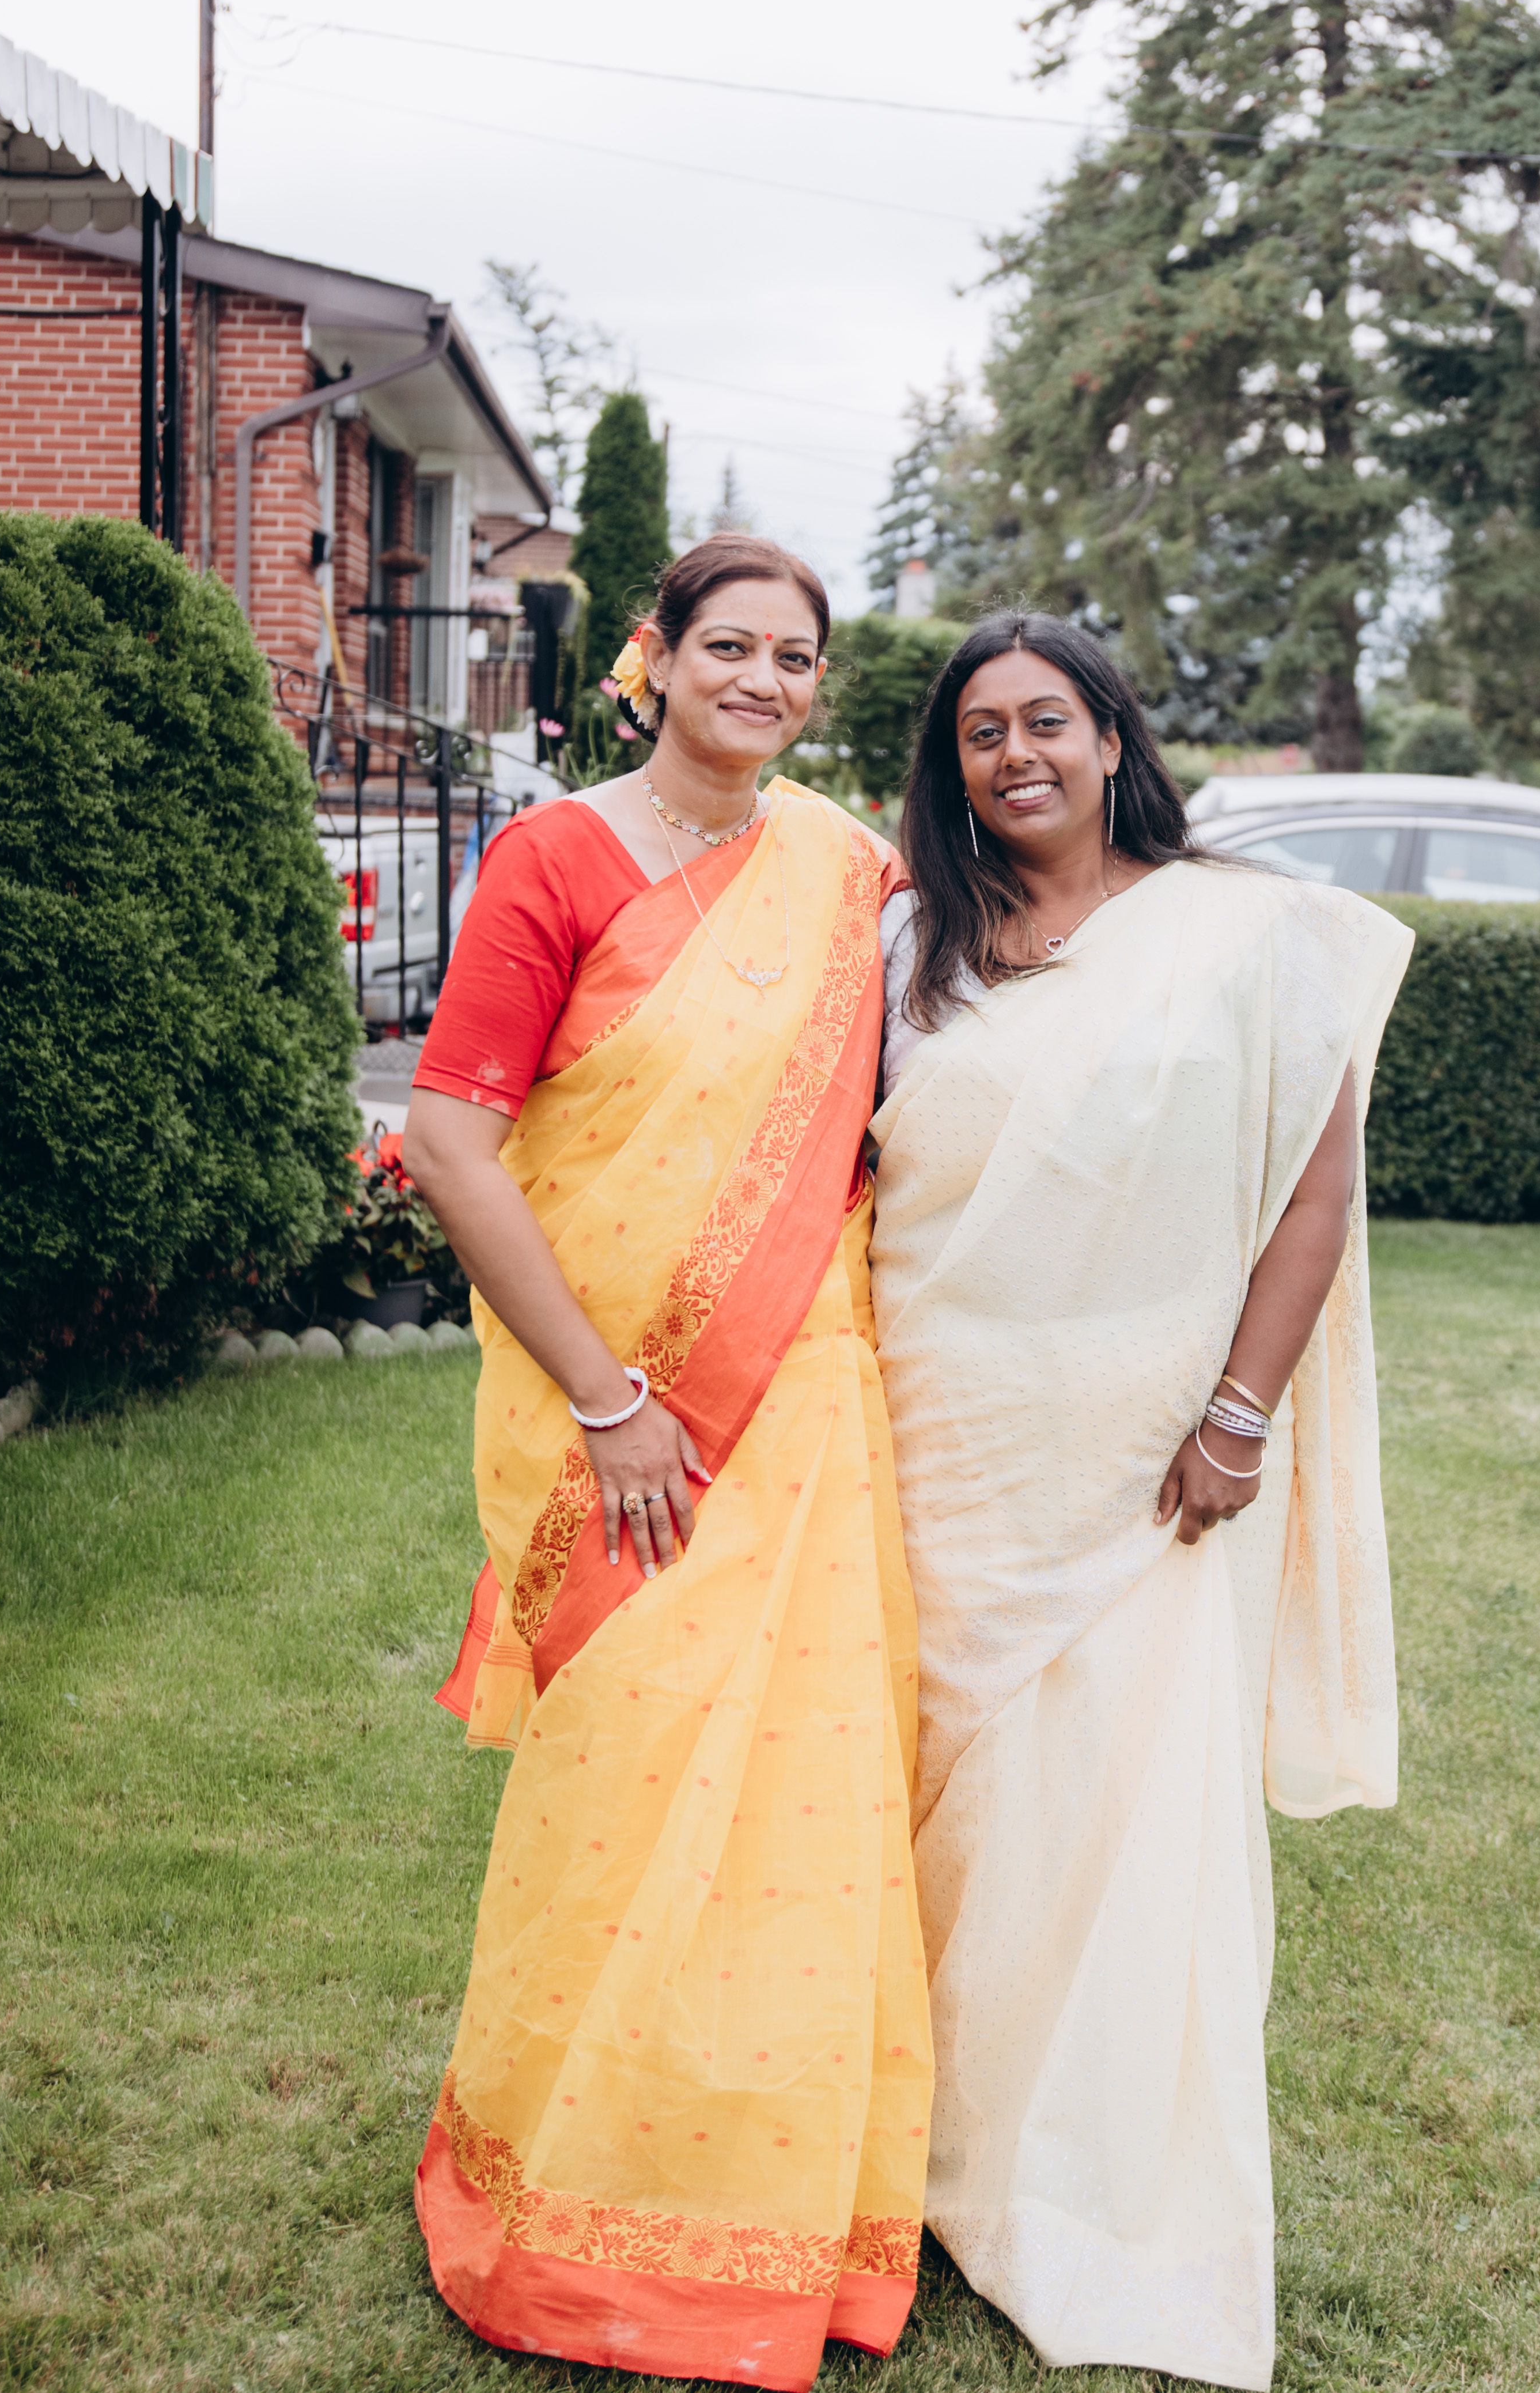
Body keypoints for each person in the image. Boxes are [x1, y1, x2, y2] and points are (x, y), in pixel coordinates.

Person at [402, 535, 930, 2390]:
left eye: (795, 656)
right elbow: (451, 1142)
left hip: (812, 1394)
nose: (764, 680)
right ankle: (568, 2191)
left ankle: (772, 2199)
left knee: (803, 1800)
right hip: (620, 1422)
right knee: (623, 1781)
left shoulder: (851, 871)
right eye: (731, 645)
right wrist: (613, 1397)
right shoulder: (554, 857)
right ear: (656, 654)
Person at [868, 615, 1412, 2392]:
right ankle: (921, 2146)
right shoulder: (911, 946)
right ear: (952, 768)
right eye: (981, 732)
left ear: (1113, 736)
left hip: (1153, 1449)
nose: (1015, 753)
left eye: (1048, 719)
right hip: (944, 1424)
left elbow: (1314, 1196)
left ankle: (1085, 2181)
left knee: (1116, 1810)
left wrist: (1242, 1413)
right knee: (946, 1800)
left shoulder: (1250, 932)